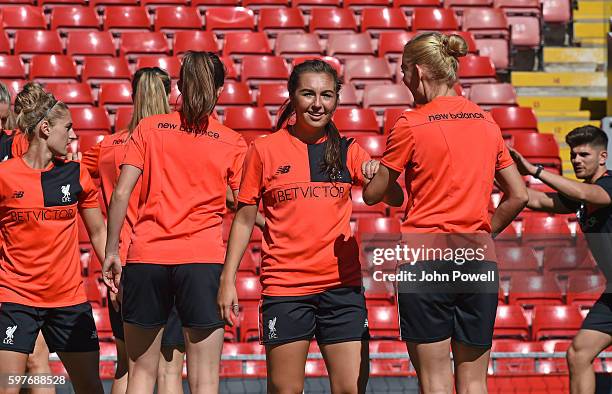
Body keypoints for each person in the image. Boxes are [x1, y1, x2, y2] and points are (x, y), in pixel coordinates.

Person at [217, 59, 403, 394]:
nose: (318, 103)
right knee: (285, 390)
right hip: (286, 289)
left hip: (342, 290)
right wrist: (227, 279)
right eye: (308, 94)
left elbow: (394, 196)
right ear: (292, 96)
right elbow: (244, 219)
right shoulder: (263, 149)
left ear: (336, 100)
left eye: (326, 95)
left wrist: (383, 172)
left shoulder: (349, 151)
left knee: (350, 390)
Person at [362, 32, 528, 394]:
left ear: (419, 71)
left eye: (404, 71)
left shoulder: (410, 123)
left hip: (425, 258)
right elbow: (518, 195)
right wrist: (484, 231)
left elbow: (374, 196)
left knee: (435, 381)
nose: (404, 81)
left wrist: (372, 172)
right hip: (477, 258)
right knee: (474, 383)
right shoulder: (487, 122)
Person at [102, 51, 247, 394]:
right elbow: (245, 207)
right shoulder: (232, 141)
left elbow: (121, 194)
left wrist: (111, 252)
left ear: (179, 86)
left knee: (139, 375)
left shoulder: (149, 128)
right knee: (205, 381)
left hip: (146, 257)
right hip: (202, 260)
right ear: (221, 91)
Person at [81, 67, 186, 394]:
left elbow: (76, 183)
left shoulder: (108, 146)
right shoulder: (181, 139)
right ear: (169, 95)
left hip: (125, 262)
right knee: (169, 369)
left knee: (128, 364)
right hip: (171, 256)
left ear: (133, 95)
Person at [0, 86, 106, 394]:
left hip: (68, 299)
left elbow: (98, 231)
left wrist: (115, 271)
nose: (73, 136)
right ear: (45, 129)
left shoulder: (75, 173)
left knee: (89, 386)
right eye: (68, 127)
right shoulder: (5, 175)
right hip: (16, 297)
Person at [510, 125, 612, 394]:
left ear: (603, 157)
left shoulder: (607, 186)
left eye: (584, 155)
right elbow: (532, 200)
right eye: (573, 155)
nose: (576, 160)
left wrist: (535, 170)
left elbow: (586, 194)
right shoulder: (579, 197)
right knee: (578, 354)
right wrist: (500, 170)